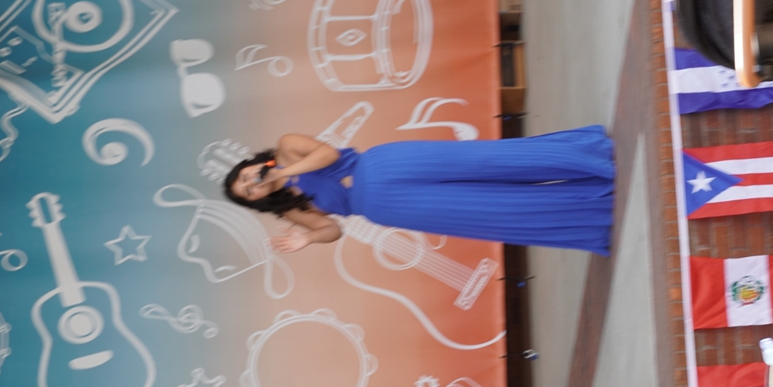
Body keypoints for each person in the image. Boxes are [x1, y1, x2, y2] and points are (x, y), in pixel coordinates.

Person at [223, 125, 615, 255]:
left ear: (250, 165)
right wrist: (308, 238)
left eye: (245, 178)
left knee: (488, 161)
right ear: (257, 201)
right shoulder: (288, 207)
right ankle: (593, 212)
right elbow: (331, 229)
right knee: (492, 209)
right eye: (248, 194)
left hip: (388, 163)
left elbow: (328, 155)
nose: (251, 185)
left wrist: (283, 171)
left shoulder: (287, 146)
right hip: (386, 205)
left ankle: (587, 158)